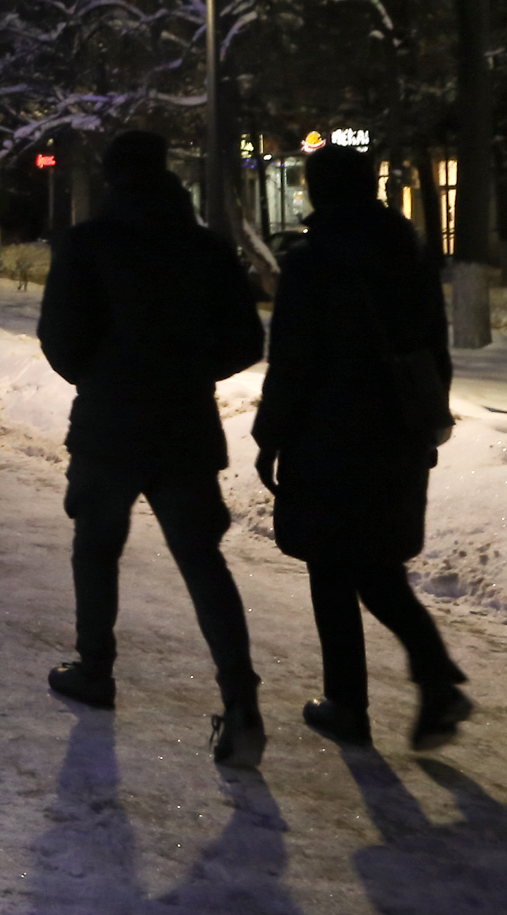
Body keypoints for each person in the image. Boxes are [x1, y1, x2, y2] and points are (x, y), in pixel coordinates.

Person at [37, 130, 269, 767]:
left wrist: (103, 372)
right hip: (184, 427)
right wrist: (188, 372)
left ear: (112, 177)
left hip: (109, 426)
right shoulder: (205, 248)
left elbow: (58, 336)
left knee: (96, 548)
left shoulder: (88, 244)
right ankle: (243, 703)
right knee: (203, 562)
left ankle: (95, 669)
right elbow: (247, 341)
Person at [253, 144, 472, 750]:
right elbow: (435, 350)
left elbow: (292, 364)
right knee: (376, 564)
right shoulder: (409, 253)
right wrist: (428, 420)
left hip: (328, 437)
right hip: (397, 431)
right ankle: (432, 678)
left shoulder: (310, 262)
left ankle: (352, 703)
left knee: (332, 566)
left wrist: (269, 436)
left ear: (318, 192)